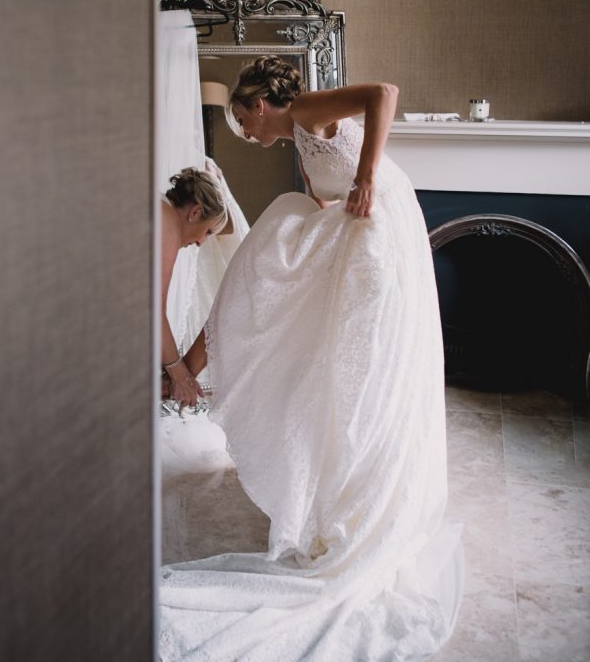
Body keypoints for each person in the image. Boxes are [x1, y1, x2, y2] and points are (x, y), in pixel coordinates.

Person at [160, 56, 463, 662]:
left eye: (244, 118)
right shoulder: (298, 139)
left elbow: (384, 92)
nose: (245, 130)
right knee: (280, 242)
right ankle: (215, 374)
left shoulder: (305, 108)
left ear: (262, 103)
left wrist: (368, 176)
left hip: (379, 232)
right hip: (355, 233)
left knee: (346, 349)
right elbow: (322, 194)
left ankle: (196, 369)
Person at [160, 167, 228, 409]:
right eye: (207, 231)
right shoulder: (167, 221)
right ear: (195, 212)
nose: (201, 242)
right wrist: (179, 373)